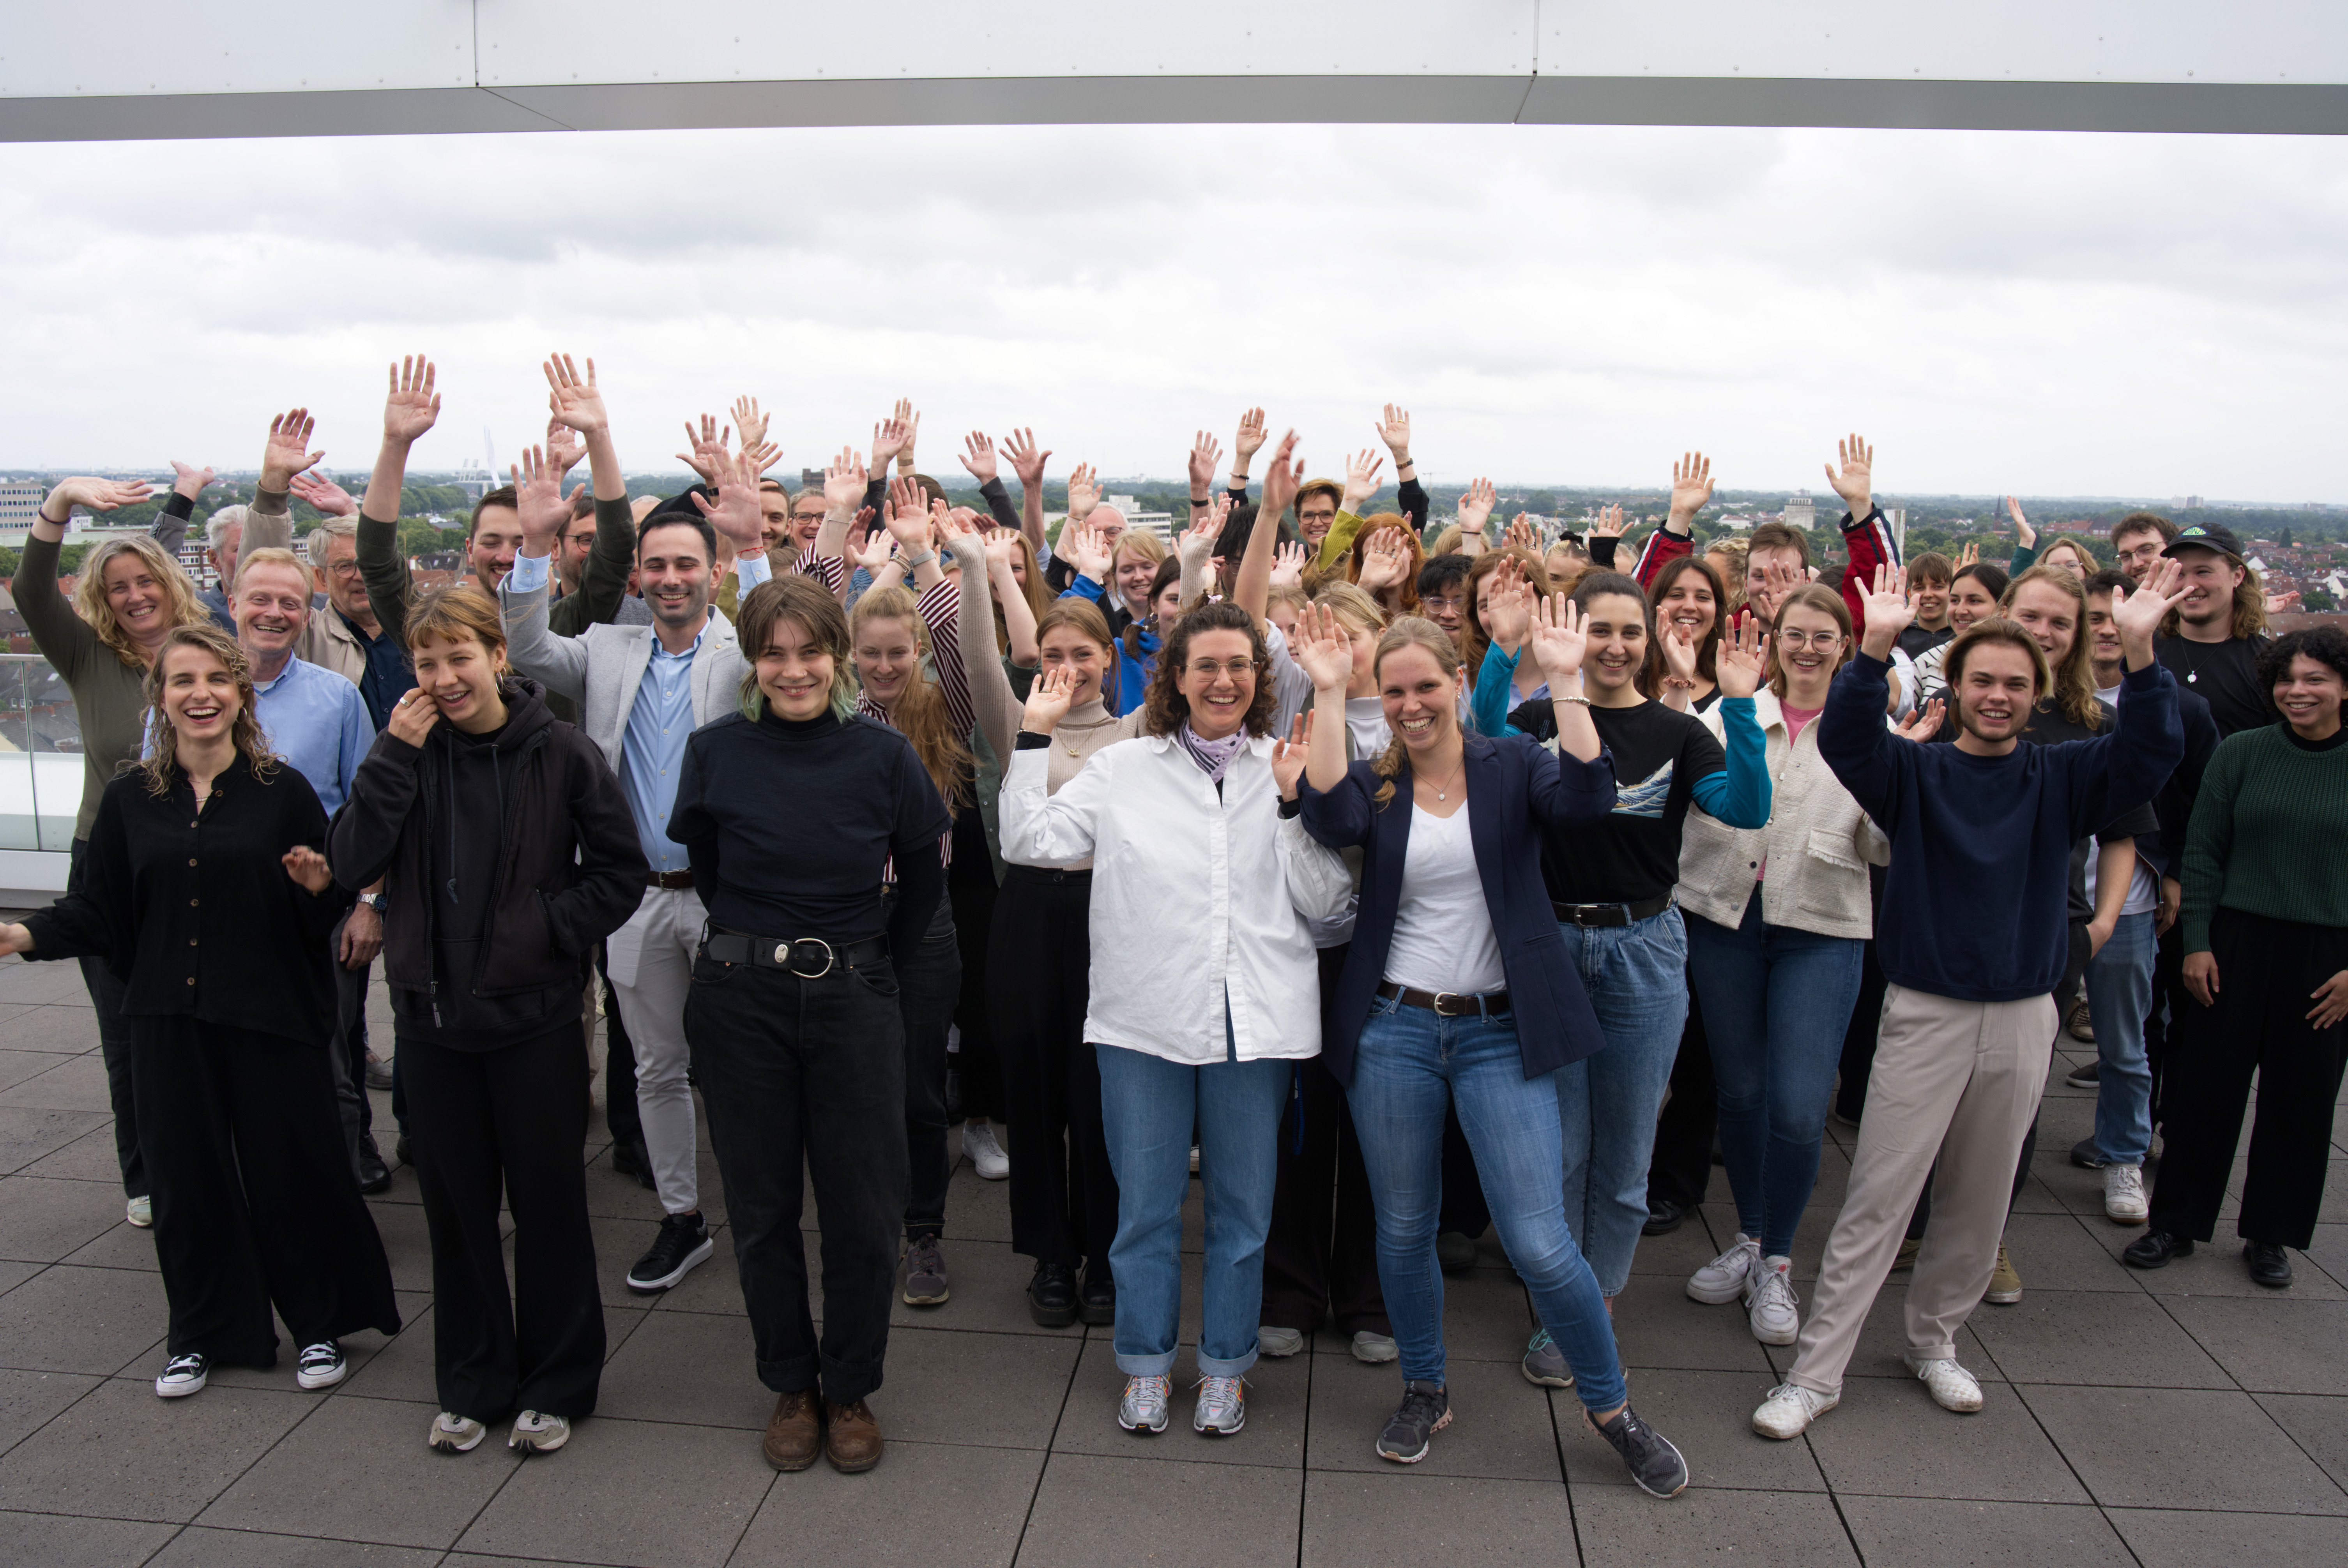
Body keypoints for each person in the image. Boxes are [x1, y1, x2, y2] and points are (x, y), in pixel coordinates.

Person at [1750, 562, 2184, 1439]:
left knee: (1982, 1199)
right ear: (1957, 685)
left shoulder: (2065, 775)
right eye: (1982, 679)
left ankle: (1935, 1339)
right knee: (1881, 1192)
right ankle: (1819, 1368)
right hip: (1926, 1009)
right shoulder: (1917, 773)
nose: (1997, 695)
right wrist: (1871, 652)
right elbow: (1851, 742)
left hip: (2025, 1013)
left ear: (2041, 691)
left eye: (2016, 684)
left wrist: (2140, 654)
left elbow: (2152, 752)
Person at [1292, 601, 1689, 1496]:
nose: (1410, 703)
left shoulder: (1511, 762)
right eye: (1392, 690)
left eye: (1425, 684)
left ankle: (1611, 1407)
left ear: (1454, 682)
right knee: (1402, 1227)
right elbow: (1324, 816)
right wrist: (1326, 692)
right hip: (1394, 1027)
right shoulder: (1379, 780)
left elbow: (1589, 799)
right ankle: (1425, 1385)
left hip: (1498, 1030)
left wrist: (1564, 682)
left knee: (1541, 1239)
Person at [0, 624, 399, 1399]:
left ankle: (317, 1323)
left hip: (267, 1017)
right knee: (187, 1177)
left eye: (217, 679)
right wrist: (25, 932)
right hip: (167, 1021)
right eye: (183, 680)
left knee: (290, 1171)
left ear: (240, 694)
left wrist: (322, 890)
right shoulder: (128, 800)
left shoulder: (281, 791)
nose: (201, 693)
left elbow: (314, 914)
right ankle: (204, 1330)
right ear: (163, 697)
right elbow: (101, 911)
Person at [1001, 599, 1351, 1441]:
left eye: (1239, 665)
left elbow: (1333, 910)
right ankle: (1148, 1363)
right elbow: (1030, 841)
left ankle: (1226, 1366)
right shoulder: (1126, 768)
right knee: (1147, 1208)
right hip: (1143, 1019)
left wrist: (1294, 807)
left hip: (1255, 1025)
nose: (1224, 679)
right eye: (1206, 665)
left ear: (1259, 679)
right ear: (1175, 677)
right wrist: (1031, 735)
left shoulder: (1287, 761)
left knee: (1243, 1210)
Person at [331, 584, 646, 1457]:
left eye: (459, 657)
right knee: (455, 1211)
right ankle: (473, 1380)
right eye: (426, 662)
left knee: (549, 1208)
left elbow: (619, 873)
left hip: (534, 1020)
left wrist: (542, 929)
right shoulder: (406, 750)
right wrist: (394, 755)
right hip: (432, 1023)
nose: (443, 677)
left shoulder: (563, 752)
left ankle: (557, 1381)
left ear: (497, 657)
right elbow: (350, 860)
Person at [669, 574, 949, 1475]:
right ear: (752, 658)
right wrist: (761, 943)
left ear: (834, 653)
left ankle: (850, 1383)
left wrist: (862, 960)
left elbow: (921, 874)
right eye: (774, 651)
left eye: (808, 650)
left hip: (853, 993)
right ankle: (792, 1380)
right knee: (759, 1205)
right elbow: (708, 865)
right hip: (739, 996)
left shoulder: (882, 754)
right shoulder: (715, 751)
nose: (792, 669)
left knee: (864, 1210)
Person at [1471, 570, 1770, 1379]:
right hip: (1549, 943)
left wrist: (1739, 705)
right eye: (1597, 629)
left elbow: (1745, 808)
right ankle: (1562, 1309)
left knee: (1626, 1148)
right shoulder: (1542, 718)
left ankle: (1596, 1305)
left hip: (1642, 942)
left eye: (1628, 632)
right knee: (1559, 1144)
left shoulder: (1680, 733)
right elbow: (1475, 739)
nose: (1613, 645)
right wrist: (1505, 649)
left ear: (1649, 640)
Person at [504, 438, 769, 1299]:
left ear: (714, 570)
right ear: (639, 575)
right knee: (655, 1065)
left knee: (739, 1067)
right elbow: (527, 647)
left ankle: (762, 1211)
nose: (668, 577)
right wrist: (535, 548)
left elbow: (790, 631)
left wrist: (759, 541)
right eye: (655, 564)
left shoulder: (744, 653)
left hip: (727, 901)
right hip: (634, 900)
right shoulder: (608, 651)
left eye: (686, 562)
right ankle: (683, 1216)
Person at [1675, 585, 1888, 1345]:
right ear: (1772, 640)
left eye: (1822, 637)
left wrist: (1890, 792)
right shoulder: (1727, 712)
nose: (1806, 649)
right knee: (1743, 1089)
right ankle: (1751, 1235)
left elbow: (1885, 848)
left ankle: (1779, 1260)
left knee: (1799, 1106)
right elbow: (1684, 804)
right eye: (1793, 634)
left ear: (1845, 643)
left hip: (1822, 927)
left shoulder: (1870, 731)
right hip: (1728, 921)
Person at [20, 475, 216, 1229]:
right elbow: (32, 589)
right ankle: (146, 1173)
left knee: (202, 1020)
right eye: (118, 587)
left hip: (197, 859)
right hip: (108, 869)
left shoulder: (209, 655)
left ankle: (212, 1158)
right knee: (126, 1031)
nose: (135, 595)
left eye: (145, 581)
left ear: (168, 583)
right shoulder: (86, 655)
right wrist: (61, 501)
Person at [2125, 627, 2348, 1287]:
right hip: (2234, 939)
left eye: (2313, 679)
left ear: (2343, 685)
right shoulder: (2243, 753)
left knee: (2302, 1096)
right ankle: (2174, 1220)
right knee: (2205, 1085)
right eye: (2285, 679)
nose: (2296, 692)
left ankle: (2270, 1232)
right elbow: (2201, 850)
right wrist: (2195, 942)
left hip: (2325, 953)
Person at [985, 597, 1134, 1327]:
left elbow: (1189, 650)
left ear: (1110, 656)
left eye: (1082, 653)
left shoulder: (1138, 730)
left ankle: (1106, 1253)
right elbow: (977, 661)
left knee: (1100, 1091)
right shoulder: (1018, 722)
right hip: (1027, 915)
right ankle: (1050, 1251)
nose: (1067, 668)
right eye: (1052, 655)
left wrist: (1200, 560)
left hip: (1106, 914)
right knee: (1035, 1086)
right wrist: (963, 565)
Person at [227, 543, 384, 1188]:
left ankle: (337, 1198)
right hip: (222, 911)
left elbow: (371, 808)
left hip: (317, 911)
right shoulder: (192, 688)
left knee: (328, 1065)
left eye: (288, 601)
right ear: (231, 603)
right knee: (231, 1063)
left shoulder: (337, 697)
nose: (273, 612)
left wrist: (368, 904)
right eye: (259, 598)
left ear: (308, 609)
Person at [2151, 521, 2273, 739]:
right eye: (2179, 574)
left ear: (2237, 576)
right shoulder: (2144, 651)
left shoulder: (2269, 662)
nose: (2190, 585)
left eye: (2203, 572)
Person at [1895, 552, 1956, 660]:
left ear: (1952, 592)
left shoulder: (1961, 639)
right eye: (1920, 588)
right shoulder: (1896, 637)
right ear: (1909, 594)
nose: (1928, 595)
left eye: (1938, 587)